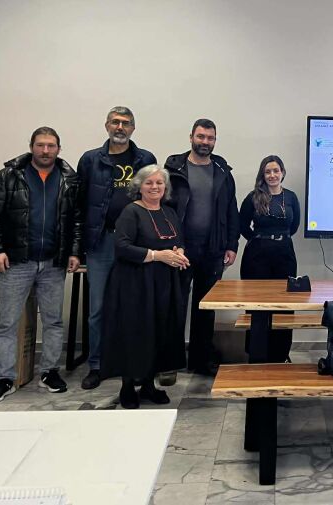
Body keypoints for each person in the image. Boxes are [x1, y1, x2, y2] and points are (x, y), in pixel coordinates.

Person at [0, 127, 83, 402]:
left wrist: (74, 252)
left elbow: (76, 219)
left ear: (58, 149)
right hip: (17, 261)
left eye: (51, 146)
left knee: (53, 321)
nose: (45, 150)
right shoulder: (9, 175)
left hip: (53, 262)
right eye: (40, 145)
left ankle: (49, 372)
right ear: (31, 147)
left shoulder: (69, 179)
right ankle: (5, 378)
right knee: (7, 322)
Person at [77, 106, 156, 390]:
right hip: (101, 242)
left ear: (133, 128)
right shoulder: (90, 160)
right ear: (107, 125)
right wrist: (77, 247)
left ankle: (134, 365)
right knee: (98, 308)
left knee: (135, 307)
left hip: (135, 244)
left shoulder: (145, 159)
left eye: (125, 123)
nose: (120, 127)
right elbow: (79, 204)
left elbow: (153, 200)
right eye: (115, 122)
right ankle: (97, 365)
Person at [100, 165, 189, 409]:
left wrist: (179, 253)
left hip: (163, 283)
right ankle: (128, 386)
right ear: (139, 186)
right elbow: (122, 247)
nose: (155, 187)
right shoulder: (131, 211)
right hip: (134, 283)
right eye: (149, 182)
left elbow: (179, 240)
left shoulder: (169, 212)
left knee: (158, 331)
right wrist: (158, 255)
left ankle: (149, 385)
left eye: (159, 183)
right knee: (135, 331)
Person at [165, 118, 239, 376]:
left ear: (215, 141)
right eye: (201, 136)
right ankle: (171, 361)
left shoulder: (222, 171)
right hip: (180, 250)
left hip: (213, 249)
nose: (205, 142)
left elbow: (231, 210)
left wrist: (231, 245)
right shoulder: (174, 168)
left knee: (205, 308)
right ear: (191, 137)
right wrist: (170, 245)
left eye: (210, 138)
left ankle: (201, 359)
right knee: (175, 306)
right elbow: (164, 209)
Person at [239, 155, 301, 362]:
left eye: (276, 170)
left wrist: (278, 239)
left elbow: (294, 226)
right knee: (257, 305)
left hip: (285, 255)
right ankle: (257, 355)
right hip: (257, 257)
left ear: (282, 172)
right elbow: (242, 225)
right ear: (262, 175)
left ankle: (280, 355)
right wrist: (259, 239)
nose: (272, 175)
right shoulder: (253, 197)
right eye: (268, 172)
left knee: (284, 305)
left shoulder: (291, 197)